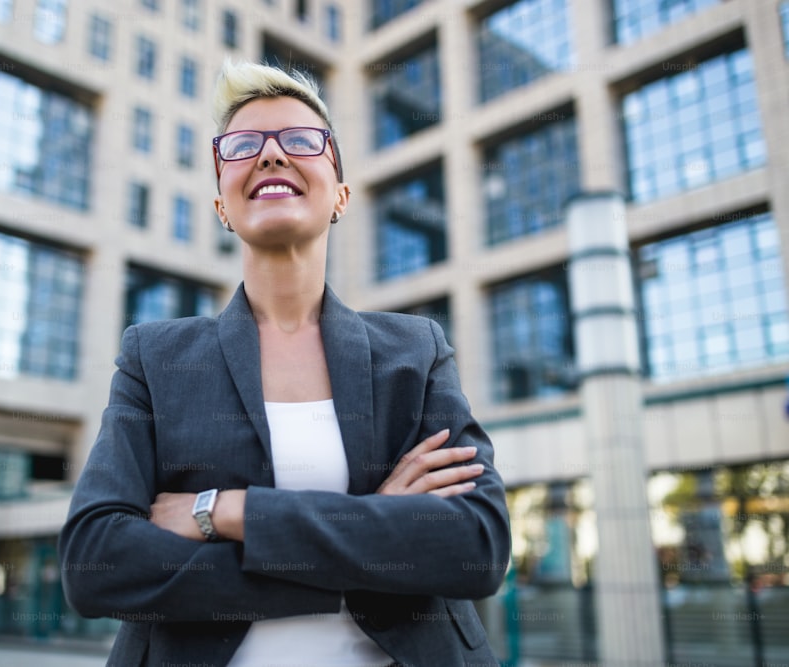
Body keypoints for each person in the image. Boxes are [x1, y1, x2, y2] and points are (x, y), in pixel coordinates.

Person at [59, 60, 511, 667]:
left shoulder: (415, 351)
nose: (271, 156)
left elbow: (473, 547)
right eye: (244, 146)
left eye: (301, 141)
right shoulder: (156, 357)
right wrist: (377, 529)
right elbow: (98, 562)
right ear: (222, 205)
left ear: (341, 197)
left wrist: (223, 511)